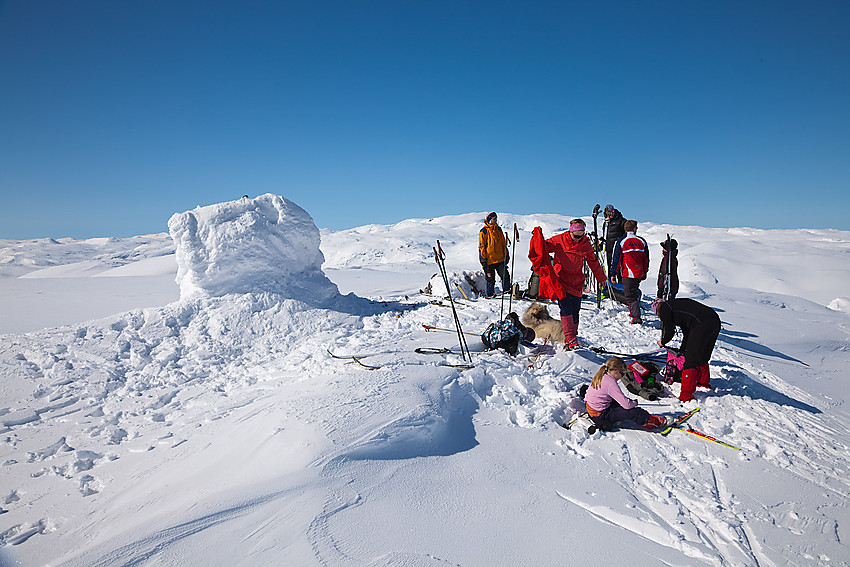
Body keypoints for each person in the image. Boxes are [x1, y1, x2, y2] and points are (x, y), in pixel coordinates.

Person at [528, 218, 606, 349]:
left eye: (581, 236)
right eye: (576, 236)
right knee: (566, 308)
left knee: (575, 310)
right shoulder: (559, 240)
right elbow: (544, 247)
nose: (578, 239)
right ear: (570, 232)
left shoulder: (586, 243)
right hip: (561, 282)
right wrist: (537, 237)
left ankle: (572, 337)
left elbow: (593, 261)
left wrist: (601, 278)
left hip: (576, 282)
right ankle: (569, 339)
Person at [651, 297, 721, 402]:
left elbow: (669, 330)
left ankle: (686, 394)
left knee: (690, 360)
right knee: (703, 354)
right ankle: (703, 382)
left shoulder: (664, 308)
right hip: (714, 320)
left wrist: (663, 342)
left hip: (701, 323)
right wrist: (683, 350)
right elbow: (687, 333)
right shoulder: (676, 306)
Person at [584, 357, 671, 430]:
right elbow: (627, 405)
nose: (622, 377)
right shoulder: (610, 383)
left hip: (592, 409)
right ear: (617, 372)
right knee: (635, 412)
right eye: (622, 374)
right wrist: (634, 403)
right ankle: (654, 422)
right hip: (600, 416)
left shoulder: (603, 374)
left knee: (620, 403)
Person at [610, 220, 650, 324]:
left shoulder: (621, 241)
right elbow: (646, 259)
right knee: (633, 292)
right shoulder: (641, 241)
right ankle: (633, 313)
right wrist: (645, 271)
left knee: (630, 296)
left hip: (627, 272)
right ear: (634, 229)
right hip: (639, 272)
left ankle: (636, 317)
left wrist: (613, 273)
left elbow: (616, 259)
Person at [478, 212, 510, 297]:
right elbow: (481, 247)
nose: (496, 219)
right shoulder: (484, 231)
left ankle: (507, 292)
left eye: (496, 218)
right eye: (494, 218)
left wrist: (506, 255)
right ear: (489, 219)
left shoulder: (498, 230)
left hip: (500, 259)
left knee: (505, 276)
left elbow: (503, 244)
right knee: (490, 279)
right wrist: (483, 259)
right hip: (489, 260)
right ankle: (490, 294)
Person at [603, 205, 626, 280]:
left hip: (618, 248)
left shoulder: (621, 221)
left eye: (612, 212)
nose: (611, 214)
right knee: (610, 267)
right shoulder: (606, 223)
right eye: (609, 212)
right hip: (609, 248)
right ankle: (612, 285)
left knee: (619, 268)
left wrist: (619, 241)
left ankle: (621, 285)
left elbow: (626, 233)